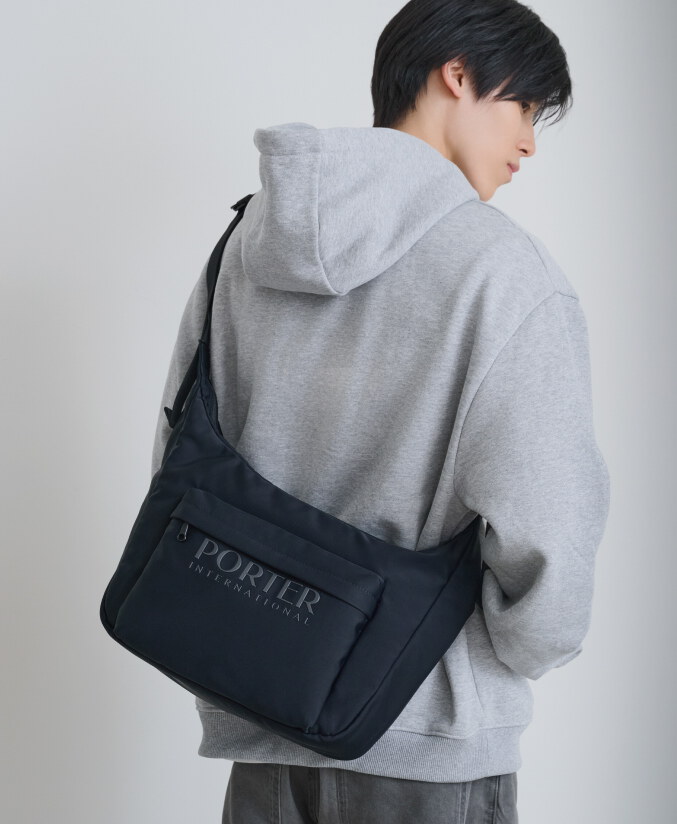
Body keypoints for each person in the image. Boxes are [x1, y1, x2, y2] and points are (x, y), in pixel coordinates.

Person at [151, 1, 611, 821]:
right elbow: (548, 525)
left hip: (260, 729)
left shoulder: (245, 246)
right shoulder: (504, 275)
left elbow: (179, 459)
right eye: (523, 106)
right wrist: (519, 652)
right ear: (456, 74)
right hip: (425, 741)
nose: (529, 143)